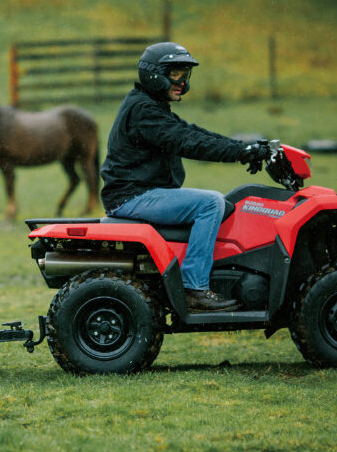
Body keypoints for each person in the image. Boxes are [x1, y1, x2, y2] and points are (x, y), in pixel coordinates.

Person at [100, 42, 268, 312]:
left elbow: (192, 132)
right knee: (210, 203)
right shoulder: (144, 110)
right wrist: (241, 152)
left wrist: (244, 147)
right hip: (132, 196)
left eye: (185, 75)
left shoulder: (150, 105)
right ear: (154, 74)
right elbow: (188, 142)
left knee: (217, 201)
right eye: (176, 74)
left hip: (140, 192)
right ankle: (194, 288)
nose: (182, 82)